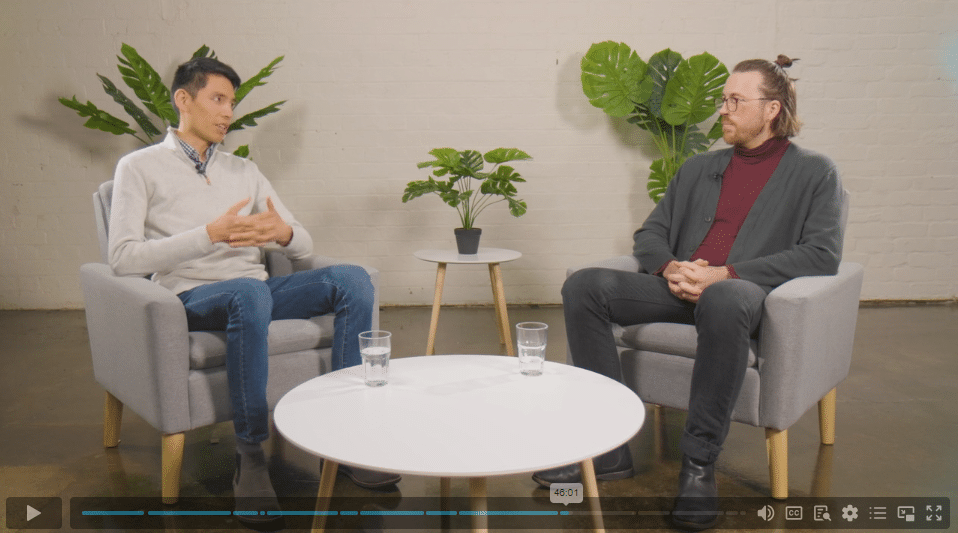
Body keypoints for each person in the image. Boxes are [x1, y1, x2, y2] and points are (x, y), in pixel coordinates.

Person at [535, 55, 844, 531]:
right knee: (584, 286)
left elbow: (821, 255)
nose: (723, 110)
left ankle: (699, 467)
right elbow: (650, 233)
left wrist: (726, 274)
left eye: (736, 101)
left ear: (772, 110)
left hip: (742, 297)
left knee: (723, 298)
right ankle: (609, 449)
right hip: (680, 288)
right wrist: (671, 266)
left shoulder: (814, 173)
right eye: (723, 100)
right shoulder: (700, 168)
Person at [108, 57, 400, 524]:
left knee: (352, 281)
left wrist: (282, 234)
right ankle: (251, 455)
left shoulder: (244, 171)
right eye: (217, 100)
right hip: (191, 298)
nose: (228, 113)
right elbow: (122, 257)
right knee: (248, 292)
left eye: (233, 103)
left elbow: (303, 248)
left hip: (258, 291)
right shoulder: (139, 167)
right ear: (184, 100)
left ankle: (345, 437)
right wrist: (210, 234)